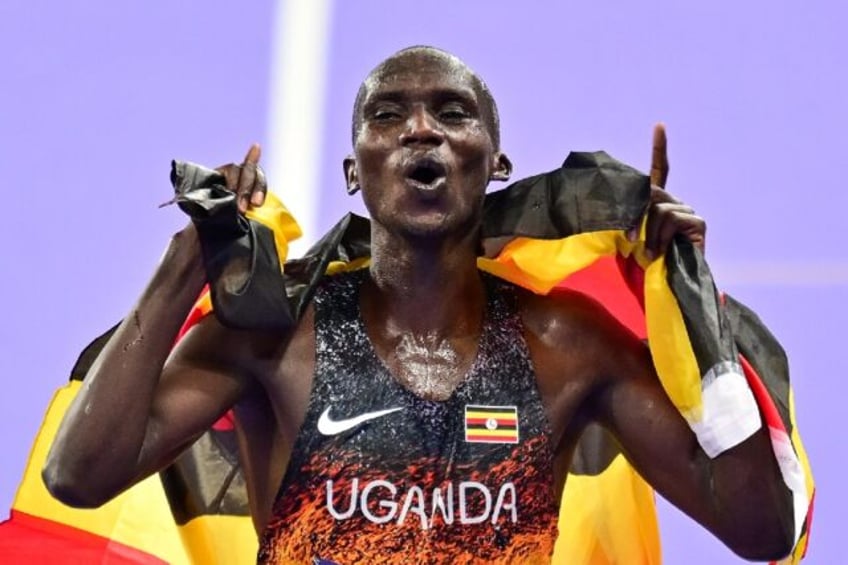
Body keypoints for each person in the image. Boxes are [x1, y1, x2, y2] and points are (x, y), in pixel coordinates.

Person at [41, 46, 797, 564]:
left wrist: (688, 299)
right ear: (354, 170)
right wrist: (189, 259)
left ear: (495, 162)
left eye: (452, 112)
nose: (422, 129)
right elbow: (78, 474)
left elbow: (759, 526)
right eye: (388, 115)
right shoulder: (276, 340)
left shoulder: (568, 348)